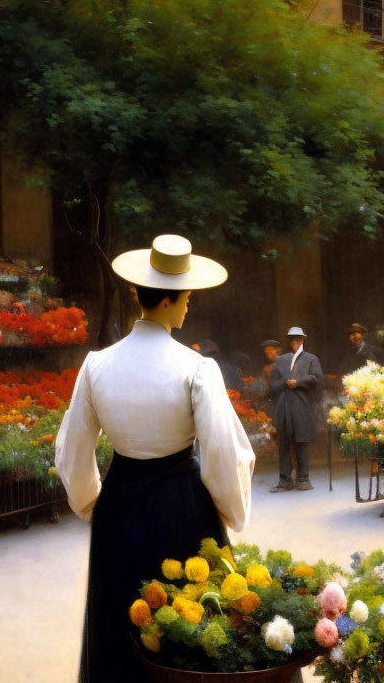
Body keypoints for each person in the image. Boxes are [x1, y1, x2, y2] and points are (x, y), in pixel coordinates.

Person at [55, 234, 255, 683]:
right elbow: (223, 454)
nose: (189, 307)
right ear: (167, 299)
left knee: (120, 623)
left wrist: (92, 503)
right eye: (187, 298)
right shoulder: (196, 368)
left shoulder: (97, 366)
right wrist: (231, 511)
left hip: (119, 506)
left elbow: (74, 449)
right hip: (182, 506)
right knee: (190, 630)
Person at [269, 326, 323, 492]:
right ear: (288, 341)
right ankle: (284, 480)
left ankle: (303, 478)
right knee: (284, 443)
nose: (295, 342)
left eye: (298, 339)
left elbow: (317, 379)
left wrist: (298, 382)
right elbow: (272, 384)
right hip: (284, 405)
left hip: (301, 404)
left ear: (303, 340)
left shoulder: (311, 359)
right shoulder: (280, 360)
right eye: (292, 339)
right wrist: (284, 383)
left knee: (301, 441)